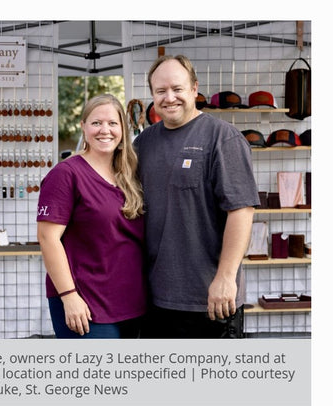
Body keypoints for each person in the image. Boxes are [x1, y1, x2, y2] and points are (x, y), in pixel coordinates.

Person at [134, 55, 260, 338]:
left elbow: (241, 212)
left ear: (194, 89)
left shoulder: (222, 138)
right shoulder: (144, 143)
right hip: (156, 298)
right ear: (152, 95)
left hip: (210, 298)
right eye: (161, 91)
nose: (170, 98)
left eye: (177, 89)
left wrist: (226, 278)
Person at [37, 94, 146, 338]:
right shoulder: (66, 174)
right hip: (86, 304)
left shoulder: (129, 175)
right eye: (96, 123)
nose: (104, 130)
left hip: (130, 302)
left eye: (112, 123)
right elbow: (47, 238)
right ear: (83, 127)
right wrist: (69, 296)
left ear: (123, 130)